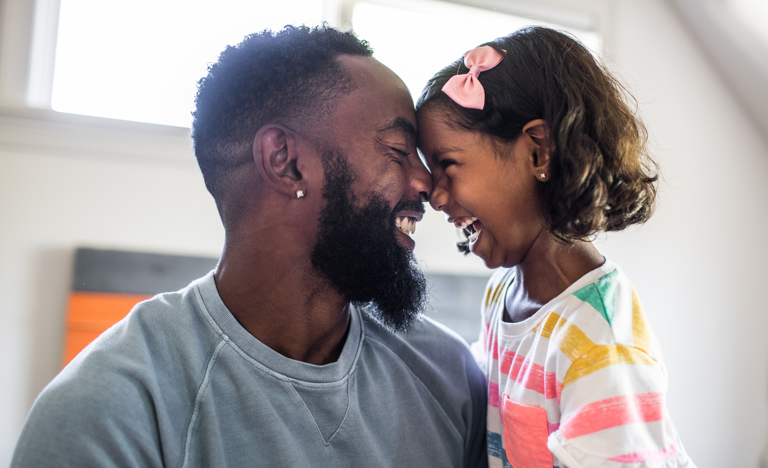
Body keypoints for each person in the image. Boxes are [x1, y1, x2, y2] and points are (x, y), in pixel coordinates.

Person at [12, 26, 488, 467]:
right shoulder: (109, 412)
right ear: (285, 162)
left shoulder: (449, 376)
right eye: (399, 152)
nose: (428, 184)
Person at [416, 27, 695, 468]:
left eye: (448, 165)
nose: (435, 195)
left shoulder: (600, 345)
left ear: (539, 153)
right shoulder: (504, 292)